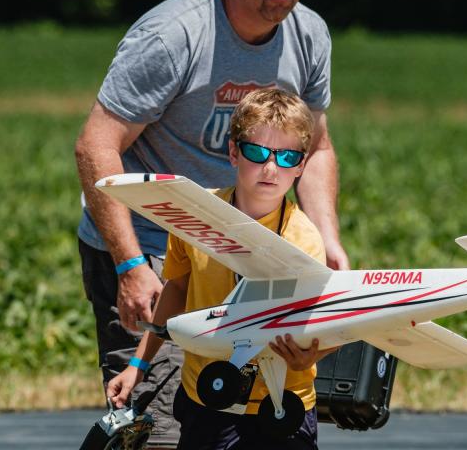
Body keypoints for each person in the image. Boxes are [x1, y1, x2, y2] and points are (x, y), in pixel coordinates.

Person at [74, 0, 347, 448]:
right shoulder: (174, 35)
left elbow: (315, 148)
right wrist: (129, 265)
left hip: (254, 248)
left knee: (254, 420)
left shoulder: (310, 35)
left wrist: (327, 244)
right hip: (154, 243)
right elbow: (95, 145)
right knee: (164, 425)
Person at [106, 88, 332, 449]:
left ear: (301, 166)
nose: (271, 168)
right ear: (233, 152)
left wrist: (313, 354)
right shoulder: (196, 217)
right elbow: (175, 291)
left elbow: (325, 318)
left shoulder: (303, 239)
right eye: (257, 153)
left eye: (287, 157)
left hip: (282, 402)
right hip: (208, 395)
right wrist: (138, 365)